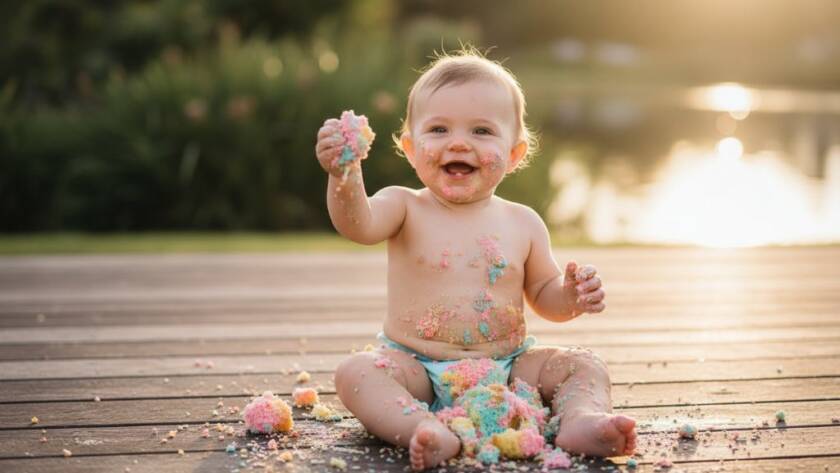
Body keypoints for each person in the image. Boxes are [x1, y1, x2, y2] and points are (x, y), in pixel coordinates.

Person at [315, 48, 636, 471]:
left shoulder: (523, 222)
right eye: (439, 129)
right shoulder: (404, 206)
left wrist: (571, 295)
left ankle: (581, 420)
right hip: (415, 369)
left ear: (515, 153)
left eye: (482, 131)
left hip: (509, 368)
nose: (459, 142)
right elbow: (358, 224)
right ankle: (421, 429)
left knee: (583, 364)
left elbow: (544, 295)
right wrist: (345, 175)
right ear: (411, 148)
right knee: (356, 372)